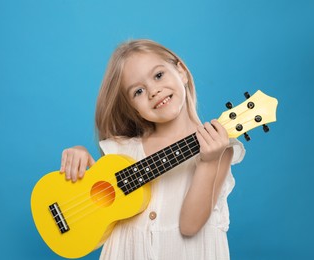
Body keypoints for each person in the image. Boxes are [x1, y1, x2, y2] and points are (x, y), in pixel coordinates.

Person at [59, 39, 245, 260]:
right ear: (133, 109)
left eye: (158, 75)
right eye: (138, 91)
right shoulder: (123, 150)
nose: (153, 91)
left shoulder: (216, 148)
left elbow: (190, 226)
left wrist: (209, 161)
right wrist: (79, 153)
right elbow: (93, 191)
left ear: (182, 72)